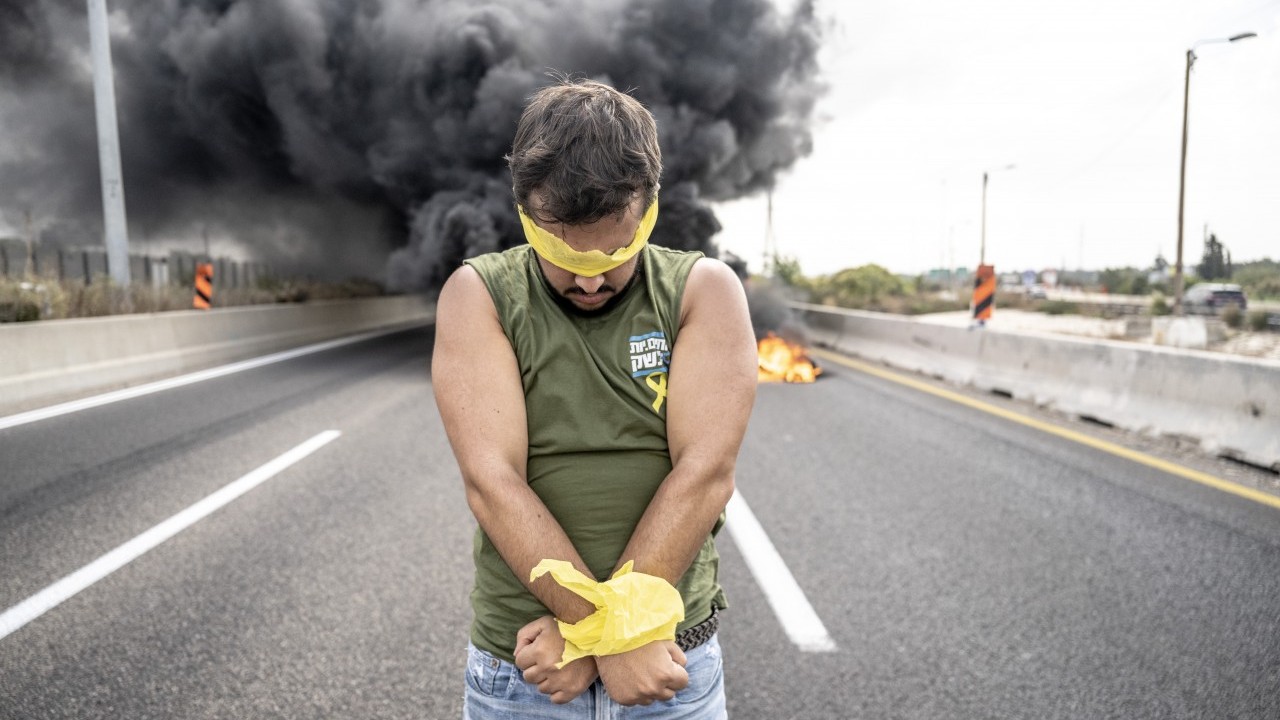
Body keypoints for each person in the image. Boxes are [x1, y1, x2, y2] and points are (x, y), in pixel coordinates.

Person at [432, 76, 757, 719]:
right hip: (531, 669)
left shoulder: (704, 291)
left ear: (650, 209)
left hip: (665, 665)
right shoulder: (478, 295)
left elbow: (706, 474)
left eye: (617, 250)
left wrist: (608, 632)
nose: (591, 279)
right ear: (525, 214)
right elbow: (493, 481)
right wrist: (603, 629)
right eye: (562, 256)